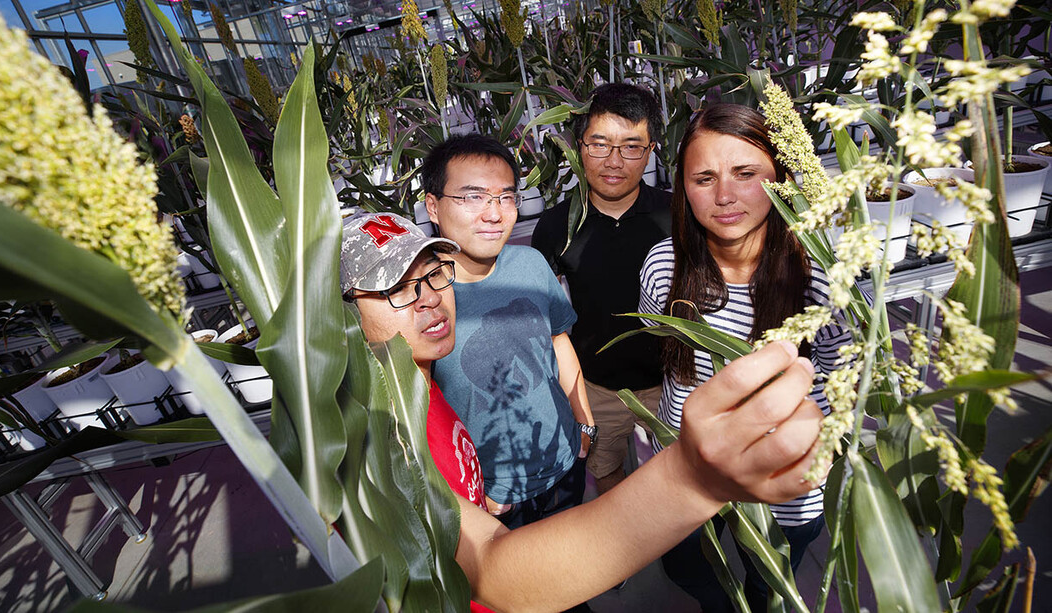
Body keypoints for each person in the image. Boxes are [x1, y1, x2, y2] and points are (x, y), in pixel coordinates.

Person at [341, 211, 824, 612]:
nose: (429, 298)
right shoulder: (383, 433)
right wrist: (690, 479)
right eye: (396, 290)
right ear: (338, 317)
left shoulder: (418, 386)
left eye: (431, 274)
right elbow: (489, 566)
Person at [638, 103, 850, 612]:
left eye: (746, 173)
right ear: (683, 190)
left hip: (783, 484)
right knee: (686, 563)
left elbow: (844, 375)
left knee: (768, 581)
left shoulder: (820, 274)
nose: (725, 196)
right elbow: (657, 341)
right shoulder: (664, 265)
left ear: (781, 178)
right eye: (704, 178)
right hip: (688, 470)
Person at [422, 134, 595, 528]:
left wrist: (583, 422)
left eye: (505, 197)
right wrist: (462, 489)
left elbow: (558, 340)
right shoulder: (423, 298)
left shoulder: (530, 264)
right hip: (493, 497)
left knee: (574, 578)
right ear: (433, 206)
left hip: (565, 462)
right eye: (473, 197)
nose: (494, 213)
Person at [531, 82, 671, 495]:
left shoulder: (674, 215)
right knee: (604, 468)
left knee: (680, 472)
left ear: (649, 152)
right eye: (599, 144)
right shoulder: (556, 226)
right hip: (596, 387)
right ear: (579, 147)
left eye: (631, 147)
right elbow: (547, 322)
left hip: (668, 384)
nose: (614, 161)